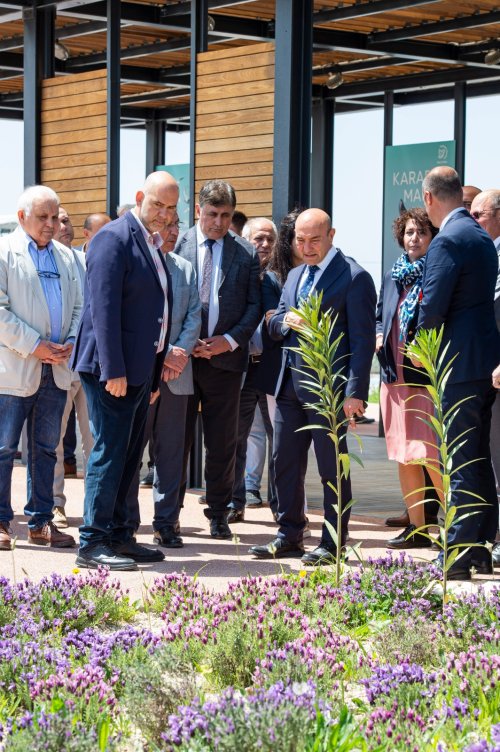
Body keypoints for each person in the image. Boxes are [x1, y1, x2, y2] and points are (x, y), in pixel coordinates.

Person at [250, 208, 376, 565]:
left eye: (314, 240)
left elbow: (363, 341)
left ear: (331, 236)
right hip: (289, 386)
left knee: (331, 468)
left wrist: (355, 393)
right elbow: (275, 321)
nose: (306, 247)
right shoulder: (294, 276)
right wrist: (283, 321)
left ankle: (333, 542)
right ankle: (289, 535)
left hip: (329, 390)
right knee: (284, 463)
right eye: (300, 240)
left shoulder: (354, 277)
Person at [70, 170, 179, 570]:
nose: (164, 214)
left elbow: (156, 313)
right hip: (111, 371)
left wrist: (152, 374)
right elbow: (102, 309)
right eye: (158, 204)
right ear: (139, 197)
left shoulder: (151, 242)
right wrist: (113, 370)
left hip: (139, 370)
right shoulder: (112, 238)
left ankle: (119, 536)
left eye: (171, 208)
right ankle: (92, 542)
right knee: (109, 454)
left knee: (130, 456)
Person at [416, 166, 500, 580]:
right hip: (482, 362)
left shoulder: (448, 239)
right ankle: (481, 548)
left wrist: (420, 346)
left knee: (461, 459)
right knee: (479, 458)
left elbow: (432, 304)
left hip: (457, 363)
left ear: (429, 198)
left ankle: (457, 554)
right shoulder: (481, 237)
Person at [175, 180, 261, 539]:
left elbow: (255, 305)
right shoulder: (177, 245)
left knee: (222, 443)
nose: (219, 222)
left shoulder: (245, 252)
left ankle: (219, 513)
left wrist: (227, 341)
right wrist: (182, 343)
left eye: (226, 215)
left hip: (225, 363)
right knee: (175, 441)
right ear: (198, 211)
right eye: (212, 214)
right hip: (180, 362)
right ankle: (169, 515)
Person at [0, 185, 82, 551]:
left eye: (55, 216)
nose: (52, 224)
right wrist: (36, 345)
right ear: (22, 218)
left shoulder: (67, 257)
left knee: (47, 449)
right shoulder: (4, 251)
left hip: (57, 367)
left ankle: (41, 521)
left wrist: (70, 341)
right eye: (43, 217)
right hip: (15, 366)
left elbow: (80, 306)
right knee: (4, 448)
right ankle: (1, 521)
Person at [125, 214, 201, 548]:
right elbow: (134, 316)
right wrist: (163, 355)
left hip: (177, 376)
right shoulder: (136, 264)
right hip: (142, 373)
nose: (172, 232)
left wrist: (178, 355)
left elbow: (194, 316)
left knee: (172, 455)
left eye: (176, 227)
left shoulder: (185, 268)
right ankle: (127, 522)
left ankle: (167, 522)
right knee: (131, 451)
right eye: (165, 226)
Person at [376, 209, 441, 549]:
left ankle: (455, 531)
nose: (414, 238)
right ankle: (418, 529)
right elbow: (379, 315)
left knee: (428, 454)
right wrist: (378, 333)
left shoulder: (437, 272)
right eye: (409, 232)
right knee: (403, 455)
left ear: (433, 238)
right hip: (393, 375)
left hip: (421, 376)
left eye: (422, 232)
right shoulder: (393, 275)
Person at [227, 218, 277, 523]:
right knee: (236, 439)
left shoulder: (281, 278)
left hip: (271, 370)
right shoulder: (236, 275)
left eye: (270, 239)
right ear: (245, 241)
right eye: (259, 239)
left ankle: (281, 507)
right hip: (241, 369)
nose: (265, 245)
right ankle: (235, 502)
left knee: (279, 441)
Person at [52, 207, 93, 529]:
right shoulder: (41, 264)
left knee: (95, 439)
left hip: (90, 364)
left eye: (66, 220)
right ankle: (55, 504)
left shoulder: (85, 261)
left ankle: (96, 508)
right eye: (58, 220)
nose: (64, 226)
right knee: (53, 441)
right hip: (58, 362)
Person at [471, 189, 500, 569]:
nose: (472, 220)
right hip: (481, 373)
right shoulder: (482, 255)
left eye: (479, 215)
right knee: (487, 459)